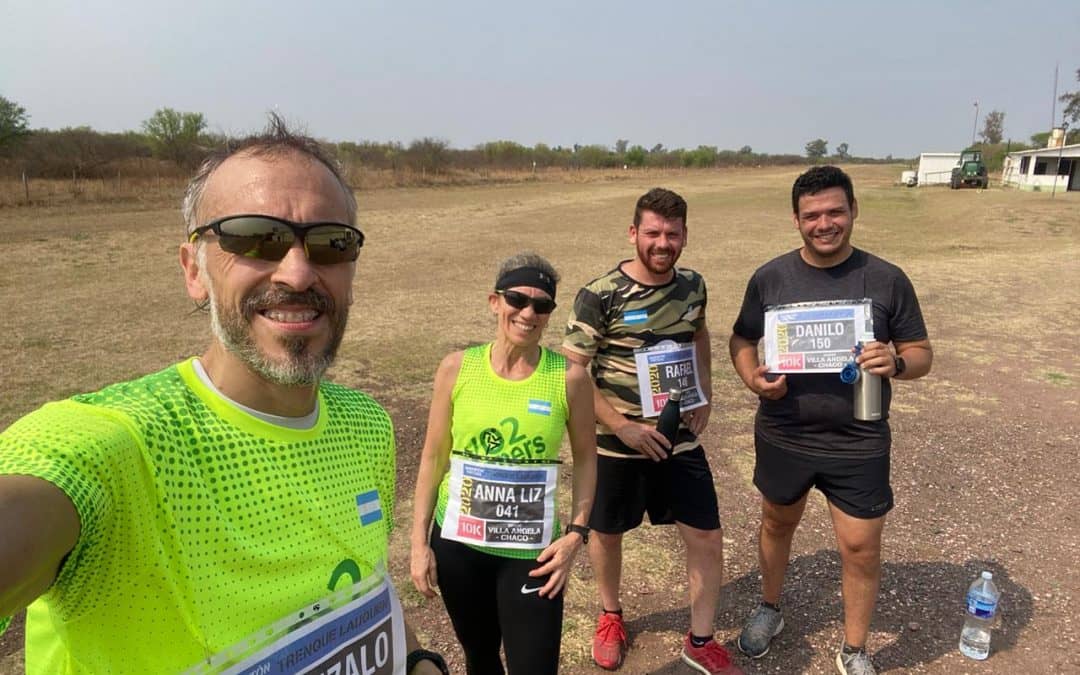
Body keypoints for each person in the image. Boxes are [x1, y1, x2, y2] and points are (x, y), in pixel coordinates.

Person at [0, 115, 447, 675]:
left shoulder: (366, 423)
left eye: (331, 244)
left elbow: (361, 582)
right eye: (255, 237)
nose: (299, 272)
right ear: (194, 270)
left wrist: (420, 662)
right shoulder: (114, 448)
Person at [729, 166, 933, 675]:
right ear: (796, 220)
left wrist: (898, 364)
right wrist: (753, 377)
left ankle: (855, 647)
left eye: (835, 211)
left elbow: (922, 353)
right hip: (784, 433)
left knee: (861, 546)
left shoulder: (886, 278)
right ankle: (770, 609)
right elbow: (741, 339)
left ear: (854, 210)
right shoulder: (770, 277)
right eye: (812, 215)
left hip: (858, 438)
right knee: (777, 522)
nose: (825, 223)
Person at [563, 188, 743, 675]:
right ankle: (611, 616)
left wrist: (704, 390)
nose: (663, 242)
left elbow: (699, 333)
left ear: (684, 236)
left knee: (705, 535)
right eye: (653, 233)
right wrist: (622, 426)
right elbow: (572, 371)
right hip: (615, 443)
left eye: (673, 233)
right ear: (633, 233)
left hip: (677, 438)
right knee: (607, 533)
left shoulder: (693, 286)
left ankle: (701, 641)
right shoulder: (600, 293)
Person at [410, 253, 596, 675]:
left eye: (542, 305)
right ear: (495, 301)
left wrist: (576, 535)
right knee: (480, 659)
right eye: (517, 299)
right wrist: (419, 542)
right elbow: (433, 456)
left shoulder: (568, 377)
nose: (528, 312)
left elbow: (587, 460)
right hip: (458, 546)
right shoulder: (457, 368)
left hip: (532, 553)